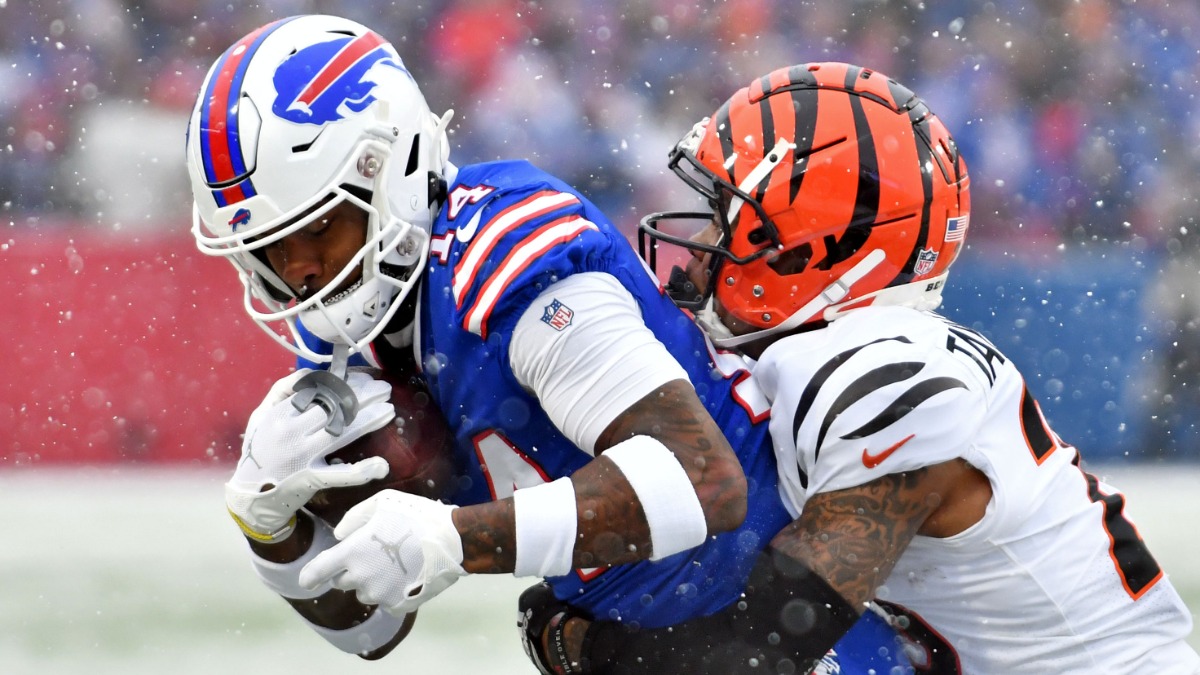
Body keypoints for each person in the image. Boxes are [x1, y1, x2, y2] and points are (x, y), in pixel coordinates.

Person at [184, 16, 912, 672]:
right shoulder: (352, 322)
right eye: (272, 250)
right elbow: (372, 627)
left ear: (393, 172)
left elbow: (703, 482)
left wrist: (455, 538)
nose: (301, 272)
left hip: (795, 624)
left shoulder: (506, 258)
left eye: (317, 229)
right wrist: (270, 531)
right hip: (662, 648)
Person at [532, 62, 1200, 673]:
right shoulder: (851, 351)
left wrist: (581, 643)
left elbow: (756, 655)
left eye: (723, 217)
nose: (702, 242)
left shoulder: (880, 385)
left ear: (804, 249)